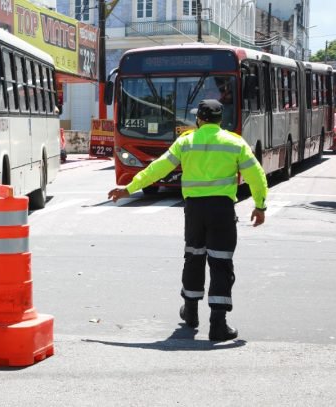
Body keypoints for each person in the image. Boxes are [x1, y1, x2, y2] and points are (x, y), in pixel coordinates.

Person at [107, 99, 269, 342]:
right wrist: (260, 205)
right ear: (219, 119)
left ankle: (191, 313)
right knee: (221, 262)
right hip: (222, 210)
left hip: (194, 210)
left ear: (199, 119)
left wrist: (129, 189)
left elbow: (158, 168)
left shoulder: (186, 141)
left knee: (194, 258)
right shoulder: (234, 142)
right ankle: (218, 324)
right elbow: (256, 175)